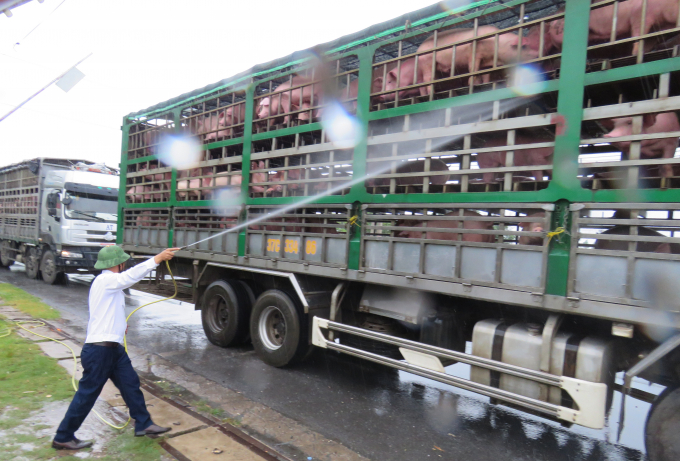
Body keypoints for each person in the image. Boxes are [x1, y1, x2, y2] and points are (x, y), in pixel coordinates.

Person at [52, 245, 179, 450]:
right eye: (123, 262)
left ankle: (144, 424)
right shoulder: (106, 280)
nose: (125, 264)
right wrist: (156, 259)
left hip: (113, 349)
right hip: (99, 351)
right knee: (87, 395)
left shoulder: (109, 284)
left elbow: (108, 311)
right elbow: (128, 277)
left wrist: (120, 326)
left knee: (130, 384)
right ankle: (63, 436)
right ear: (118, 263)